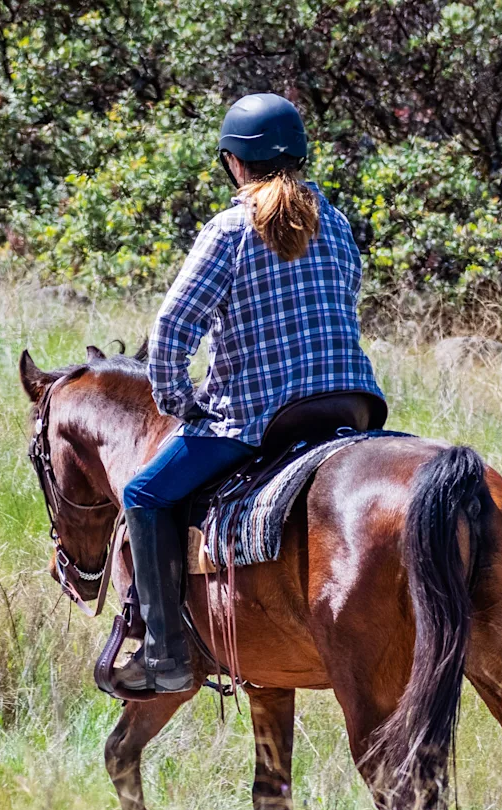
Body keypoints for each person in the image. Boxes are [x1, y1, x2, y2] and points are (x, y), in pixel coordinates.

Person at [112, 92, 387, 695]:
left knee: (145, 493)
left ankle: (165, 654)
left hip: (264, 418)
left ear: (234, 164)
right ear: (302, 158)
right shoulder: (336, 224)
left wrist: (181, 402)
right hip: (352, 407)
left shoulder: (231, 229)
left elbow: (171, 331)